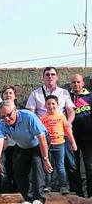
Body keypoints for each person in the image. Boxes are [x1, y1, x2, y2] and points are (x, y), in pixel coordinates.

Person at [25, 66, 81, 196]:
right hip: (44, 135)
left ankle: (76, 193)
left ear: (57, 77)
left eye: (53, 74)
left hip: (62, 134)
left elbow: (71, 112)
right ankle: (45, 188)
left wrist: (67, 123)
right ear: (43, 77)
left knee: (70, 164)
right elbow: (31, 114)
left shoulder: (64, 92)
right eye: (47, 74)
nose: (50, 77)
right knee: (45, 162)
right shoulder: (36, 94)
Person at [0, 101, 52, 204]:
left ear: (15, 110)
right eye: (3, 117)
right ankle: (27, 198)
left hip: (38, 143)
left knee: (37, 164)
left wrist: (45, 159)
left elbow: (42, 138)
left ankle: (38, 198)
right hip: (22, 145)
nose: (7, 119)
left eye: (9, 114)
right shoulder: (1, 124)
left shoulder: (28, 116)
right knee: (18, 169)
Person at [40, 95, 78, 195]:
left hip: (60, 144)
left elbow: (68, 131)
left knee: (60, 166)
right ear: (45, 105)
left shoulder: (61, 116)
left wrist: (73, 143)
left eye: (53, 104)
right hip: (48, 146)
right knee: (48, 166)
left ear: (57, 105)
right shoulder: (43, 119)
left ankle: (63, 186)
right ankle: (47, 185)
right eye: (48, 104)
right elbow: (40, 134)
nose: (51, 106)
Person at [69, 74, 92, 197]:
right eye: (73, 82)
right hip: (72, 137)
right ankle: (77, 194)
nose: (76, 84)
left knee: (90, 166)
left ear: (83, 83)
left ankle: (90, 194)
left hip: (89, 137)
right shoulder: (67, 97)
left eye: (78, 82)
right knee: (73, 166)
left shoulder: (90, 97)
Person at [1, 85, 20, 193]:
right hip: (6, 144)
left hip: (19, 143)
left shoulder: (20, 111)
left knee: (19, 168)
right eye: (6, 93)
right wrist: (4, 139)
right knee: (7, 168)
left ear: (15, 96)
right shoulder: (0, 110)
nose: (8, 95)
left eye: (10, 93)